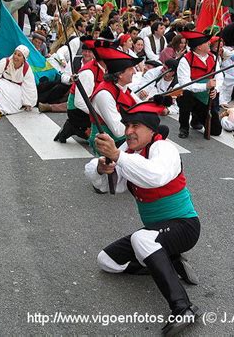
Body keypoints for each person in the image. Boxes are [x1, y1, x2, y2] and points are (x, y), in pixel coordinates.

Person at [84, 101, 200, 336]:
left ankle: (183, 308)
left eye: (135, 125)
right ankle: (167, 262)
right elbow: (112, 188)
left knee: (141, 239)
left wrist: (118, 156)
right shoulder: (129, 153)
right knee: (106, 261)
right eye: (127, 125)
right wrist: (101, 168)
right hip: (156, 232)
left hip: (184, 227)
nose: (128, 131)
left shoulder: (164, 149)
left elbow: (154, 177)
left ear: (151, 130)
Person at [87, 44, 143, 154]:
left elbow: (140, 105)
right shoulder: (104, 94)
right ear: (120, 74)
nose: (134, 72)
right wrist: (141, 124)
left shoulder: (122, 87)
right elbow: (117, 130)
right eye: (131, 69)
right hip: (108, 142)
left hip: (125, 137)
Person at [54, 39, 106, 143]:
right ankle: (73, 128)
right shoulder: (88, 72)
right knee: (98, 140)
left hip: (89, 105)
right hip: (77, 109)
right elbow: (80, 103)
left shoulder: (103, 69)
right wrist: (100, 115)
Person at [176, 30, 222, 139]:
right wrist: (205, 86)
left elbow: (220, 77)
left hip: (208, 98)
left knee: (216, 131)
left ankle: (196, 118)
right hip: (191, 96)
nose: (209, 44)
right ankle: (184, 127)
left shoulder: (213, 58)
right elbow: (185, 85)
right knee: (185, 95)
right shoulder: (185, 61)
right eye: (206, 42)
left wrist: (216, 89)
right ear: (199, 47)